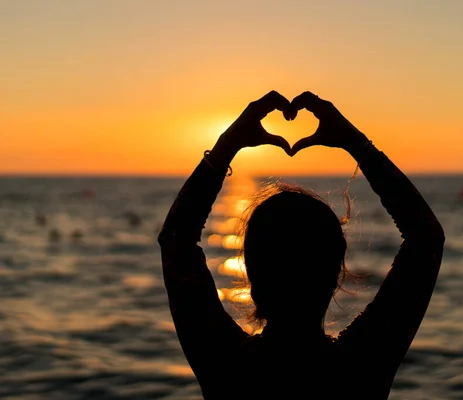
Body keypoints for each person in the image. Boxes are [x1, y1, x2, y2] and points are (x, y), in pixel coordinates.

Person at [158, 91, 445, 400]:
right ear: (336, 275)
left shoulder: (226, 365)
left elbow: (176, 239)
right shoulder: (361, 364)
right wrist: (357, 144)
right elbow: (425, 239)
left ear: (252, 280)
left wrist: (225, 148)